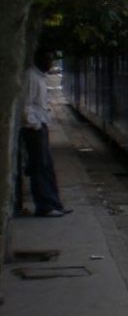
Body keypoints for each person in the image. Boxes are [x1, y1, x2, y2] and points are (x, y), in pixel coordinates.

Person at [20, 49, 71, 217]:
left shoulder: (39, 77)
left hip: (41, 127)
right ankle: (45, 207)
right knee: (40, 168)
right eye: (48, 60)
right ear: (40, 60)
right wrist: (35, 125)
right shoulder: (31, 77)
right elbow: (26, 105)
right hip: (34, 129)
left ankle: (54, 203)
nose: (51, 64)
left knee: (47, 167)